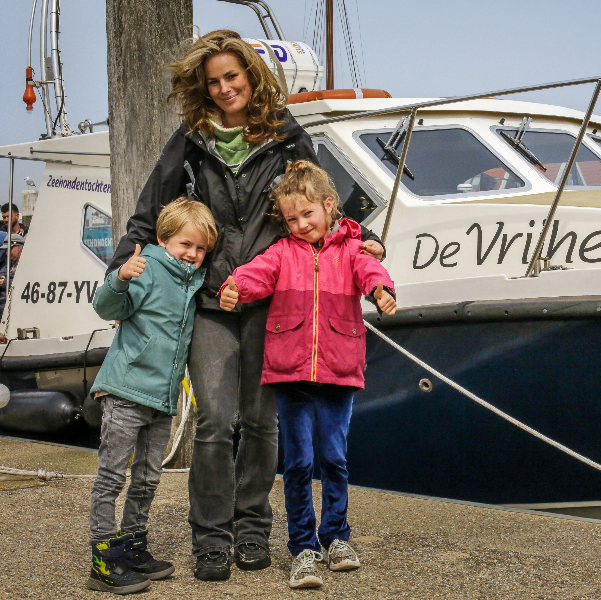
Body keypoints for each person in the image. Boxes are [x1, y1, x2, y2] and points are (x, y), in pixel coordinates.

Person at [105, 29, 385, 581]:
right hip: (209, 299)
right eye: (213, 81)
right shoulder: (190, 139)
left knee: (261, 423)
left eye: (232, 76)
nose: (224, 87)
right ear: (202, 89)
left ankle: (253, 527)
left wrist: (367, 245)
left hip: (276, 301)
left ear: (251, 76)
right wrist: (123, 265)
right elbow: (148, 209)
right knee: (214, 418)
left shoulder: (285, 135)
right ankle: (211, 537)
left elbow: (331, 203)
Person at [219, 160, 396, 589]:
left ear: (329, 206)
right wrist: (236, 286)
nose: (300, 224)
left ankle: (336, 536)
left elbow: (370, 270)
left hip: (338, 371)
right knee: (298, 463)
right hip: (290, 375)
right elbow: (257, 273)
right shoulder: (282, 252)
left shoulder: (353, 249)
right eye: (292, 218)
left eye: (308, 215)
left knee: (334, 459)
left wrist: (381, 290)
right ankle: (302, 547)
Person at [86, 198, 217, 595]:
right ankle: (103, 559)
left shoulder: (193, 279)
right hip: (126, 392)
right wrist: (120, 277)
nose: (192, 255)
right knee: (111, 477)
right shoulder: (146, 268)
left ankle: (134, 544)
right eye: (184, 245)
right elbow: (106, 306)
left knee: (146, 479)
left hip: (161, 399)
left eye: (199, 249)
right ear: (163, 239)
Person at [0, 233, 25, 315]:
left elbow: (23, 285)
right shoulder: (9, 264)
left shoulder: (26, 265)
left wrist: (5, 282)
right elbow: (1, 275)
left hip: (14, 306)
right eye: (6, 250)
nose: (7, 253)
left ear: (20, 248)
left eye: (10, 249)